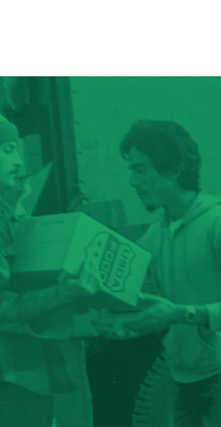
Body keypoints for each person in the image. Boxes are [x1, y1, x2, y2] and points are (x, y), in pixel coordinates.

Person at [98, 121, 221, 427]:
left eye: (140, 170)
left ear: (175, 167)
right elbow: (162, 312)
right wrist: (130, 326)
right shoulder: (155, 236)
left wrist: (183, 313)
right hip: (181, 377)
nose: (132, 181)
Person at [0, 116, 99, 427]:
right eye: (5, 151)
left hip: (26, 375)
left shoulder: (12, 219)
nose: (17, 162)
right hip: (11, 379)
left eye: (16, 149)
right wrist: (63, 292)